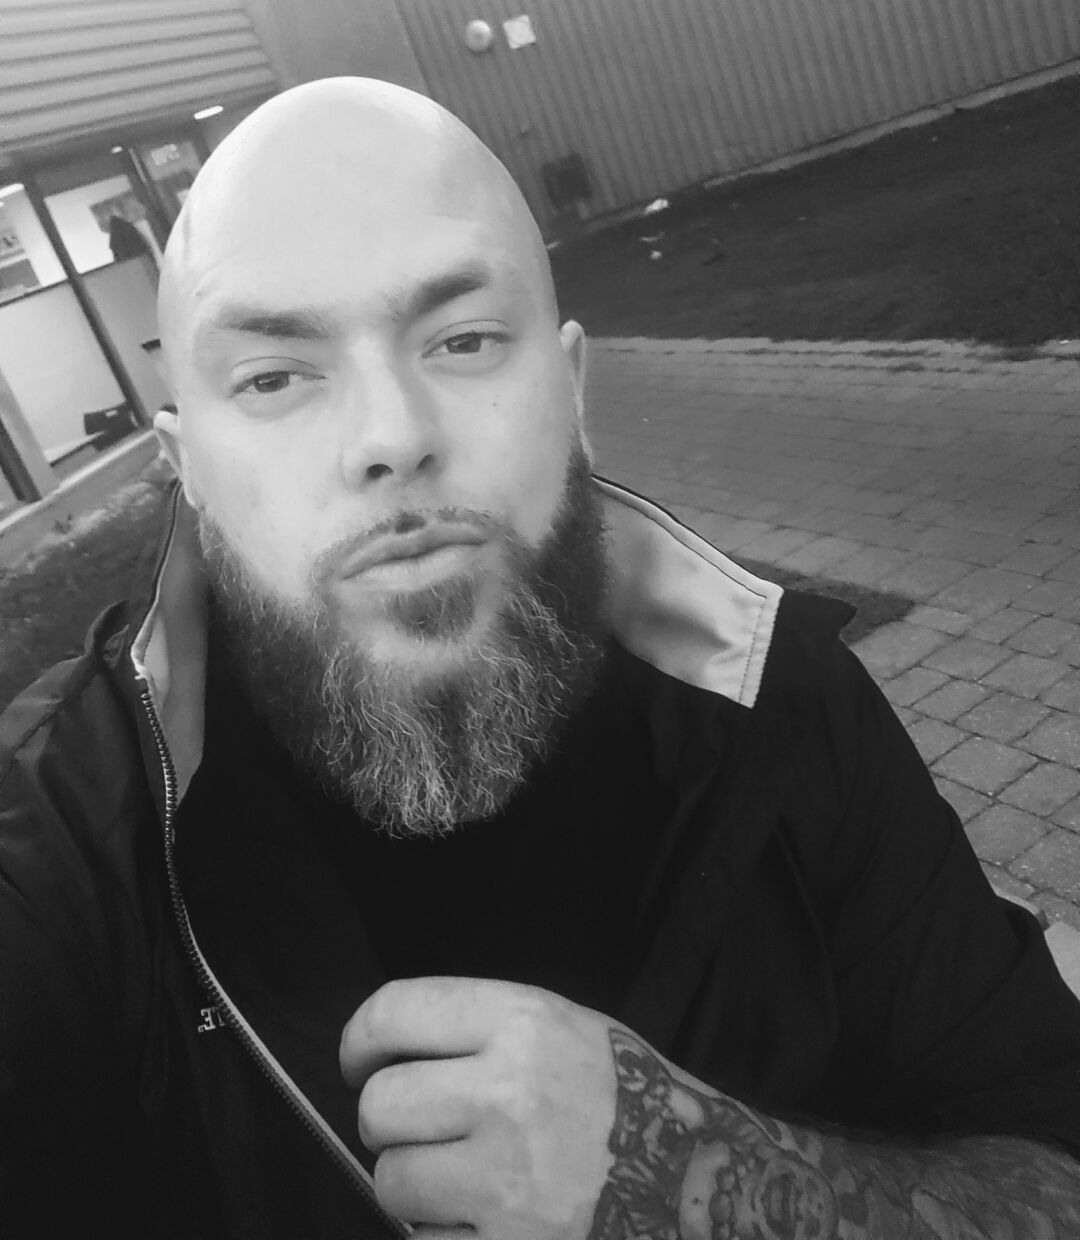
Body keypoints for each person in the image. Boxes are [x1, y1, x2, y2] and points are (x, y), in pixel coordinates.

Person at [1, 77, 1079, 1240]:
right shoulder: (65, 853)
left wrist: (705, 1183)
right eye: (272, 377)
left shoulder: (776, 697)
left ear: (572, 390)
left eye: (461, 339)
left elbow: (1051, 1162)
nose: (392, 436)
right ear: (189, 470)